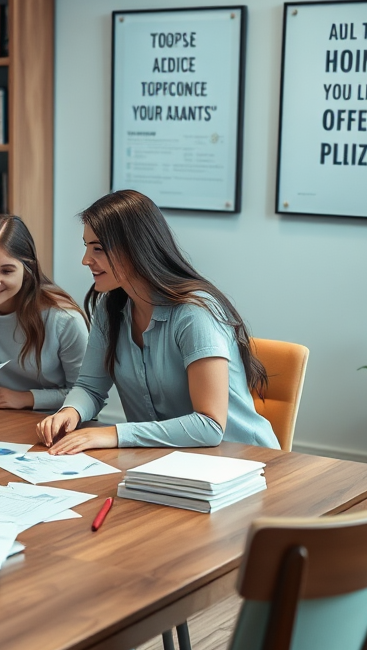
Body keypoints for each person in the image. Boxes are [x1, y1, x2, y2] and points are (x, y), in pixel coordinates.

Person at [37, 189, 279, 453]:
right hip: (168, 461)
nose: (86, 260)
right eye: (86, 247)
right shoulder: (110, 308)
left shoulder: (195, 314)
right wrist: (70, 411)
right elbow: (90, 387)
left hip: (246, 461)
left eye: (98, 249)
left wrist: (114, 433)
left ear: (136, 248)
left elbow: (210, 425)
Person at [0, 214, 88, 411]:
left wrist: (27, 398)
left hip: (52, 420)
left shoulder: (65, 320)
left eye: (7, 271)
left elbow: (87, 394)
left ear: (27, 271)